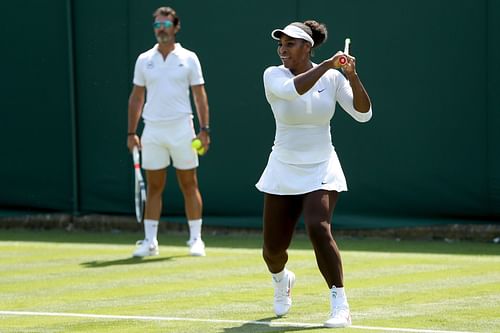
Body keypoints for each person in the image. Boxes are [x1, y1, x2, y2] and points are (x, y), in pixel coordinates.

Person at [256, 21, 372, 328]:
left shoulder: (333, 78)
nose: (283, 49)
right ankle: (282, 279)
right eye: (280, 44)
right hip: (283, 167)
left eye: (290, 44)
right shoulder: (273, 75)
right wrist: (328, 65)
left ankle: (340, 305)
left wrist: (351, 75)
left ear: (307, 47)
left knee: (318, 227)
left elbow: (363, 114)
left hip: (322, 166)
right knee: (272, 251)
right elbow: (294, 90)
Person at [127, 6, 210, 257]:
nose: (160, 30)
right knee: (154, 186)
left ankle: (196, 239)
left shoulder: (189, 58)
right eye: (157, 26)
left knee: (189, 183)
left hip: (182, 129)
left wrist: (204, 129)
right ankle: (150, 241)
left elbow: (200, 96)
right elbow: (136, 97)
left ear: (175, 27)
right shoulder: (144, 59)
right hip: (152, 130)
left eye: (165, 26)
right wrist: (132, 133)